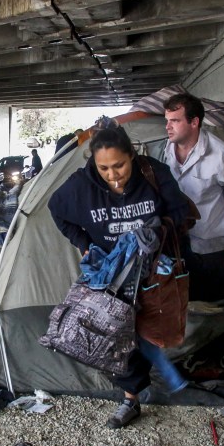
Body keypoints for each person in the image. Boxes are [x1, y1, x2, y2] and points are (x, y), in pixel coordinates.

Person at [48, 116, 190, 429]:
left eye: (120, 166)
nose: (114, 175)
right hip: (111, 278)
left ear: (133, 158)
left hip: (153, 274)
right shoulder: (81, 186)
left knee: (151, 331)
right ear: (94, 165)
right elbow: (56, 211)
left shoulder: (154, 173)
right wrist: (84, 244)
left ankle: (167, 374)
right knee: (113, 337)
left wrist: (159, 229)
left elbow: (181, 212)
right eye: (105, 168)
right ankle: (131, 400)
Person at [163, 93, 224, 301]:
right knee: (190, 305)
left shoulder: (221, 155)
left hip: (216, 249)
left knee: (222, 304)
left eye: (174, 121)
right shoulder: (167, 150)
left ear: (194, 122)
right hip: (182, 246)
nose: (168, 127)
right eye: (167, 121)